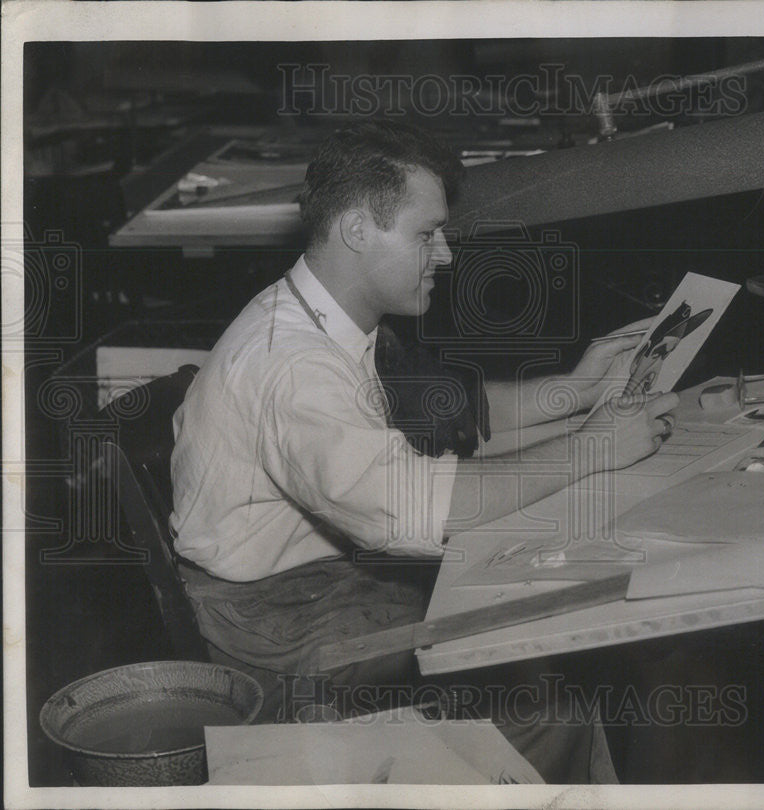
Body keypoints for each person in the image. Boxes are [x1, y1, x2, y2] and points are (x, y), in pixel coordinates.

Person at [169, 120, 678, 783]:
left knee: (551, 632)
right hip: (268, 623)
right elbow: (413, 513)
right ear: (357, 230)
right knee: (550, 700)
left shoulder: (337, 318)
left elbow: (450, 417)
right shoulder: (294, 366)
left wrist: (578, 393)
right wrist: (589, 451)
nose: (444, 255)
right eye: (424, 234)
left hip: (315, 581)